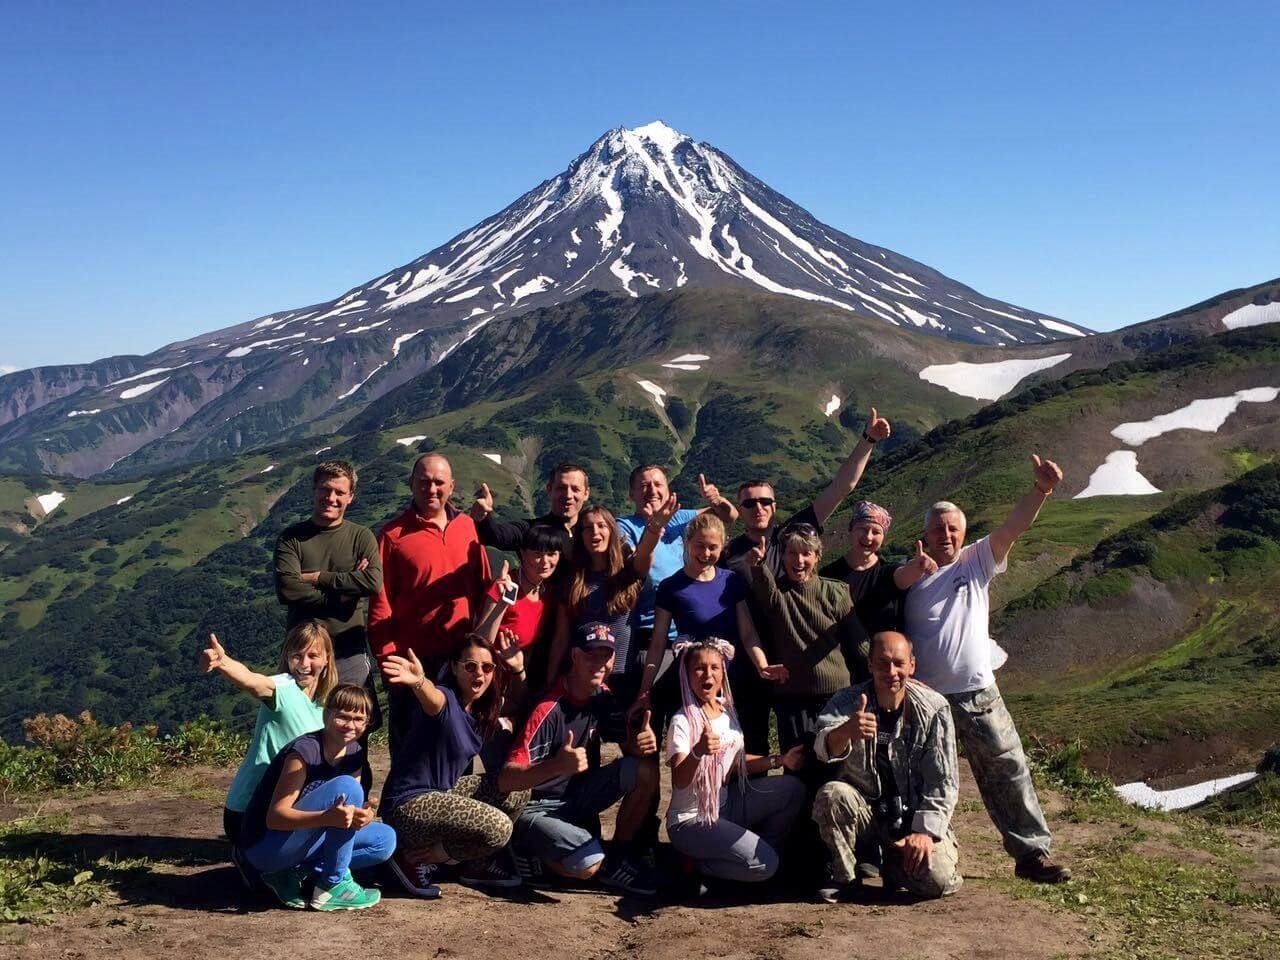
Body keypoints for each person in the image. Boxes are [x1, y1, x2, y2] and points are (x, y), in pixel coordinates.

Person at [903, 454, 1071, 884]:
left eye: (953, 528)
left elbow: (1014, 527)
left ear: (963, 533)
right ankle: (929, 852)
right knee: (929, 777)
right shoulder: (908, 575)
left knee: (1007, 767)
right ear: (924, 533)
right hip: (925, 699)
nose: (946, 535)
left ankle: (1032, 854)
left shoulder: (976, 560)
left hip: (977, 689)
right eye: (938, 528)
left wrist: (1041, 489)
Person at [721, 409, 892, 764]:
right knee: (753, 752)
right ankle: (758, 816)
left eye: (765, 501)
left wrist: (868, 441)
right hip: (753, 669)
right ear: (741, 508)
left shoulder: (792, 535)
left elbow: (840, 488)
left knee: (803, 755)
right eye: (749, 502)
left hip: (799, 671)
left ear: (774, 506)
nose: (758, 508)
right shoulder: (728, 553)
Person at [499, 625, 661, 895]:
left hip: (578, 798)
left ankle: (617, 860)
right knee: (587, 866)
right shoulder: (548, 708)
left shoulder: (603, 695)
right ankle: (522, 845)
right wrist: (557, 766)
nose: (599, 664)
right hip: (538, 806)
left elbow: (627, 748)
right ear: (574, 656)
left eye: (606, 656)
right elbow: (506, 779)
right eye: (591, 656)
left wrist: (641, 742)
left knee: (645, 769)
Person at [812, 631, 963, 902]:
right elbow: (822, 749)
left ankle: (896, 863)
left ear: (911, 666)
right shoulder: (848, 702)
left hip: (913, 818)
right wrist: (845, 731)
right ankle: (846, 879)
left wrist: (925, 832)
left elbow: (944, 781)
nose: (891, 672)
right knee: (832, 794)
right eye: (882, 663)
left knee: (936, 881)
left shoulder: (934, 709)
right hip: (868, 815)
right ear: (869, 665)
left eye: (898, 663)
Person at [378, 636, 529, 898]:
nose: (479, 673)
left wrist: (517, 669)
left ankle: (471, 864)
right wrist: (419, 682)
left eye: (487, 667)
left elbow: (518, 703)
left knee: (519, 788)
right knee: (500, 827)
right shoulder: (446, 699)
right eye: (470, 666)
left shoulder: (482, 710)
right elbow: (432, 699)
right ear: (455, 667)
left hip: (443, 795)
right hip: (409, 806)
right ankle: (412, 858)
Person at [369, 453, 491, 758]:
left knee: (457, 747)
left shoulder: (468, 527)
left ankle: (455, 806)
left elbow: (485, 588)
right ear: (412, 484)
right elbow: (380, 606)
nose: (431, 489)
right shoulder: (392, 536)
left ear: (451, 486)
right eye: (423, 482)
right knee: (411, 747)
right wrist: (390, 664)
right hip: (414, 661)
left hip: (460, 659)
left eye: (439, 483)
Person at [236, 683, 396, 911]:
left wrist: (364, 816)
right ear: (326, 714)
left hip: (300, 842)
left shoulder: (354, 753)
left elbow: (348, 815)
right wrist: (327, 817)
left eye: (359, 719)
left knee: (385, 840)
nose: (351, 725)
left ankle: (292, 874)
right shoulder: (304, 752)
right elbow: (275, 818)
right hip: (265, 846)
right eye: (343, 717)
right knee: (347, 786)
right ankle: (333, 886)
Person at [273, 460, 383, 784]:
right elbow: (288, 588)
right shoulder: (292, 538)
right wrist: (343, 595)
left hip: (348, 649)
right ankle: (294, 801)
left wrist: (320, 577)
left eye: (339, 492)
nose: (331, 498)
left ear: (351, 496)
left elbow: (373, 583)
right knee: (297, 728)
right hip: (304, 654)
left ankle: (353, 799)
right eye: (325, 490)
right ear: (314, 491)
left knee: (353, 728)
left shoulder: (361, 536)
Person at [665, 637, 806, 884]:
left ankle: (750, 856)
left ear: (723, 673)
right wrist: (698, 751)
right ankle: (698, 866)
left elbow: (734, 763)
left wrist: (779, 759)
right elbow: (679, 779)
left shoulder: (725, 709)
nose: (706, 674)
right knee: (766, 865)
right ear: (686, 675)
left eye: (714, 668)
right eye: (698, 668)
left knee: (793, 789)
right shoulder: (683, 721)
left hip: (726, 807)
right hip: (691, 821)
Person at [201, 622, 337, 849]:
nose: (304, 664)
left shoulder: (325, 707)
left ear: (326, 659)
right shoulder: (282, 688)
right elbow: (252, 681)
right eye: (297, 655)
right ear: (287, 656)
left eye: (313, 656)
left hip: (286, 808)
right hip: (248, 811)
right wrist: (222, 662)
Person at [636, 513, 762, 748]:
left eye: (712, 547)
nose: (705, 554)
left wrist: (762, 665)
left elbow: (748, 633)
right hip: (693, 683)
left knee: (733, 748)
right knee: (697, 748)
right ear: (687, 543)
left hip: (732, 679)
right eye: (699, 546)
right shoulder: (670, 587)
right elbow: (658, 642)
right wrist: (645, 687)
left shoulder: (732, 581)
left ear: (722, 546)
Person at [548, 498, 677, 702]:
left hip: (622, 674)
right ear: (580, 536)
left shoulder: (628, 572)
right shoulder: (573, 580)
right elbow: (561, 638)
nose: (595, 533)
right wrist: (550, 683)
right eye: (588, 528)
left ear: (612, 531)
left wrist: (654, 527)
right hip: (581, 675)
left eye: (602, 526)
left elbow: (645, 552)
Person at [616, 465, 738, 665]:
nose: (652, 491)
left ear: (668, 490)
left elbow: (729, 516)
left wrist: (718, 501)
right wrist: (654, 527)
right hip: (650, 636)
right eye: (644, 486)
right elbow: (634, 563)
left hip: (689, 635)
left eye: (658, 484)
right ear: (631, 494)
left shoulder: (680, 518)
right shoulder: (625, 526)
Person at [820, 501, 939, 637]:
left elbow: (904, 575)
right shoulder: (828, 575)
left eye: (876, 532)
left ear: (883, 538)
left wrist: (918, 567)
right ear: (851, 529)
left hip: (882, 657)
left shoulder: (887, 572)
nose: (868, 536)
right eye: (863, 529)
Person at [472, 526, 564, 697]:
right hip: (484, 682)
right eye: (537, 554)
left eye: (552, 554)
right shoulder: (505, 586)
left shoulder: (546, 594)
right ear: (522, 554)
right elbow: (480, 642)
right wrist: (502, 603)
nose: (545, 562)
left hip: (513, 683)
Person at [470, 462, 590, 581]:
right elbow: (495, 536)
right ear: (549, 489)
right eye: (561, 488)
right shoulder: (531, 530)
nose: (568, 495)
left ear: (586, 494)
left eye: (575, 489)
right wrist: (483, 518)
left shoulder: (594, 534)